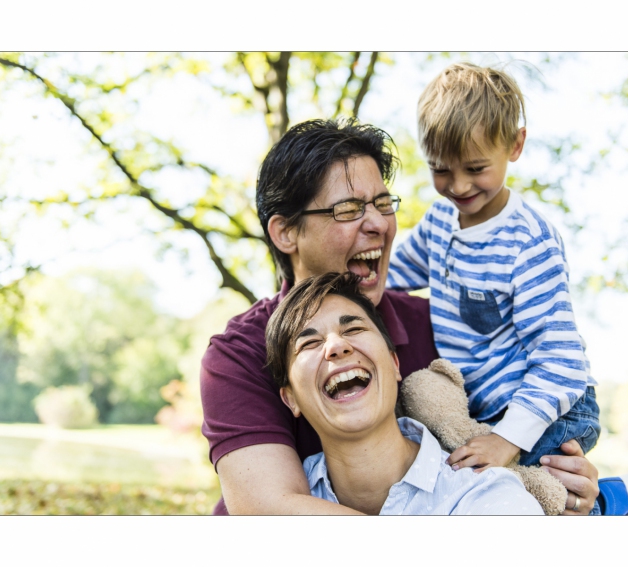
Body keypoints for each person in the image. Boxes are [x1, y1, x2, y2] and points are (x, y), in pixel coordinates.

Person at [200, 117, 599, 515]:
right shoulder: (239, 353)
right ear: (286, 232)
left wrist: (555, 485)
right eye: (349, 209)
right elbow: (268, 510)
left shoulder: (435, 324)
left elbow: (490, 441)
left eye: (382, 204)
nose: (379, 224)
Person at [387, 62, 601, 481]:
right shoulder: (439, 223)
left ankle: (613, 504)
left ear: (515, 145)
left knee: (520, 489)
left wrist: (508, 439)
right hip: (489, 411)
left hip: (551, 406)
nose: (459, 187)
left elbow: (559, 359)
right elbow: (391, 274)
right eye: (440, 169)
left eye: (475, 168)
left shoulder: (528, 242)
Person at [266, 271, 543, 515]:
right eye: (311, 343)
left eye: (353, 328)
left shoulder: (487, 499)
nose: (337, 346)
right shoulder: (271, 512)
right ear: (290, 398)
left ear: (394, 364)